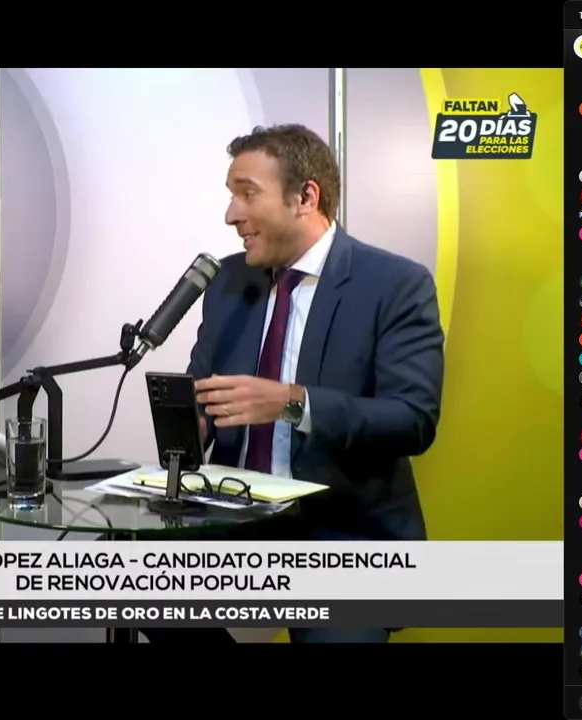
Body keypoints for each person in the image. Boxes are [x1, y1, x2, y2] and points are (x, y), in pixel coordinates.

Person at [188, 124, 445, 643]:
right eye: (231, 195)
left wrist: (291, 403)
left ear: (306, 197)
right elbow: (202, 395)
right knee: (116, 573)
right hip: (233, 523)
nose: (231, 214)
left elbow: (412, 420)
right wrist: (189, 426)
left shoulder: (395, 284)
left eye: (247, 194)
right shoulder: (227, 281)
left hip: (343, 534)